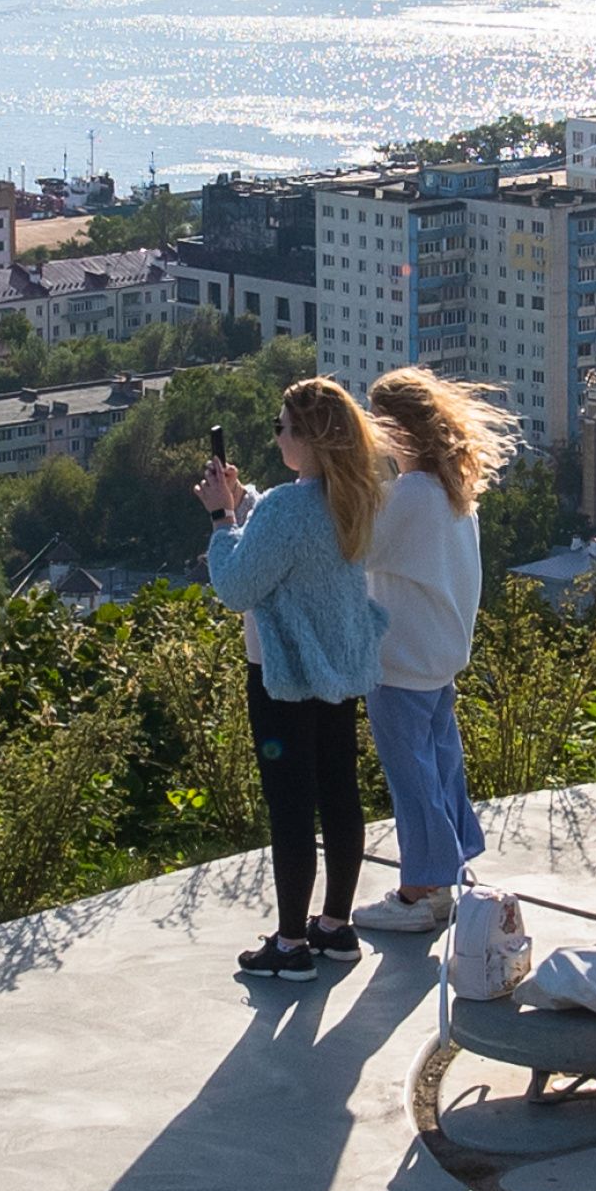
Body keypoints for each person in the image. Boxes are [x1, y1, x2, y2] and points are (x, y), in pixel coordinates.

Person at [197, 376, 390, 980]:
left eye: (281, 426)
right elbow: (292, 535)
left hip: (282, 675)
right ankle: (334, 925)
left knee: (290, 807)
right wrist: (245, 501)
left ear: (306, 438)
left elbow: (236, 585)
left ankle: (288, 943)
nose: (276, 434)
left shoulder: (285, 509)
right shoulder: (354, 495)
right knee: (339, 792)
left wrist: (222, 517)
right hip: (339, 667)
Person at [353, 367, 517, 933]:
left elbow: (354, 548)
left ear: (400, 430)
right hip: (438, 659)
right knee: (441, 767)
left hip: (403, 663)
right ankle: (445, 875)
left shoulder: (413, 496)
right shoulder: (451, 492)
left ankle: (419, 890)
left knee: (412, 778)